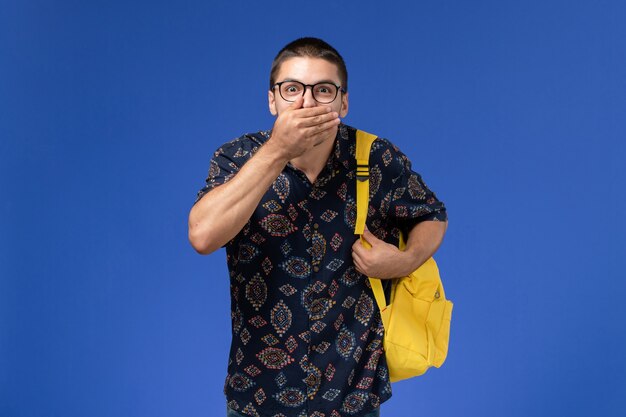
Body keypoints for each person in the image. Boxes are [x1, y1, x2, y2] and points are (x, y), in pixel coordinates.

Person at [188, 37, 447, 417]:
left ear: (343, 102)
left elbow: (431, 214)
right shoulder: (238, 157)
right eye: (292, 89)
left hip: (353, 395)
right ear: (272, 100)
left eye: (323, 90)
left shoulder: (375, 157)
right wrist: (277, 151)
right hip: (258, 396)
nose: (306, 103)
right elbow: (203, 236)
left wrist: (406, 260)